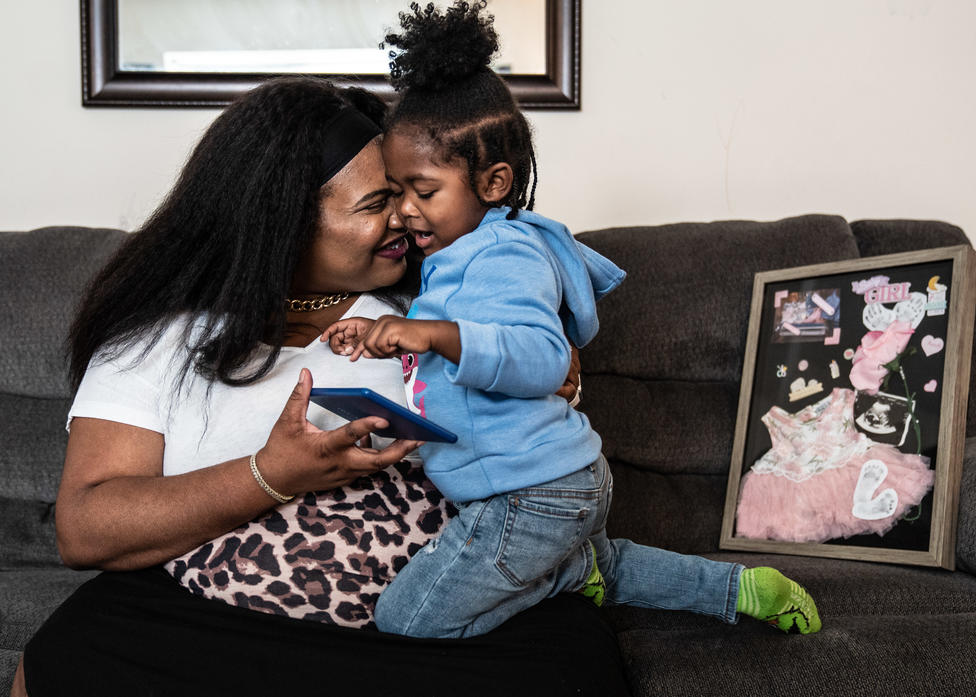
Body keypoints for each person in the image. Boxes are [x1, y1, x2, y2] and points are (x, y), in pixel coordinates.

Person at [13, 76, 629, 697]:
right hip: (220, 619)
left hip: (437, 620)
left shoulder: (445, 299)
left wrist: (539, 354)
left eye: (405, 193)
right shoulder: (158, 338)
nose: (405, 216)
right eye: (373, 205)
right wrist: (271, 474)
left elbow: (533, 365)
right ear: (280, 222)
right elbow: (87, 527)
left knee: (567, 665)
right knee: (75, 649)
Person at [323, 0, 822, 640]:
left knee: (407, 620)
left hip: (527, 495)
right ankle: (739, 587)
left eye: (424, 191)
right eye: (396, 192)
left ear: (495, 182)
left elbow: (542, 358)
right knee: (611, 571)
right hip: (551, 488)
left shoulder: (500, 255)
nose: (407, 212)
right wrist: (384, 340)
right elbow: (458, 353)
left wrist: (429, 333)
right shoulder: (460, 255)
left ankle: (562, 577)